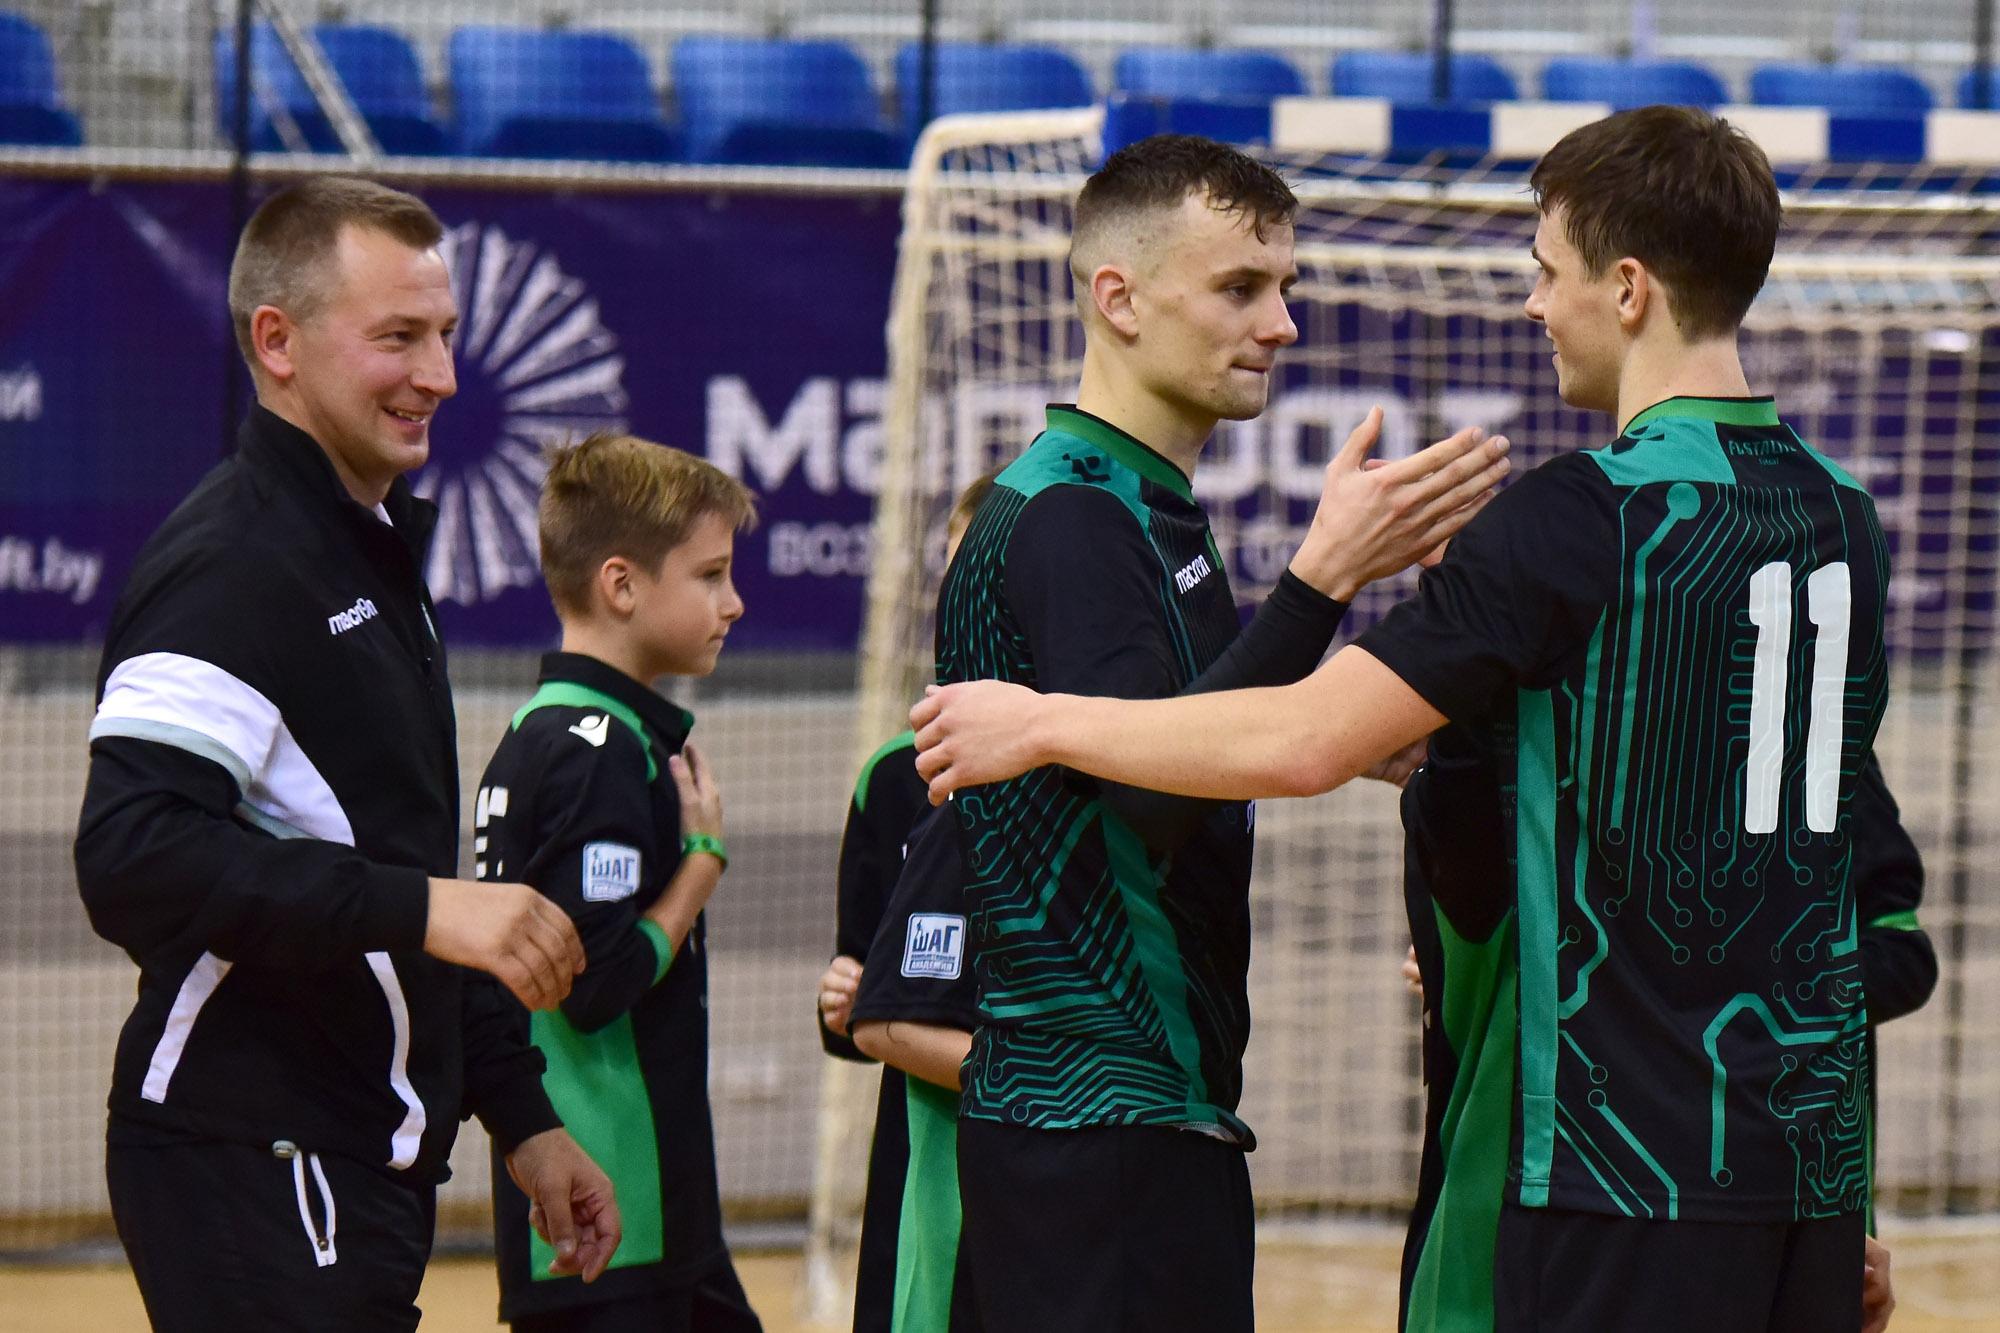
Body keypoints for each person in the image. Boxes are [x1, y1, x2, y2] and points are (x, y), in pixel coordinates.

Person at [914, 107, 1894, 1331]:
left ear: (1626, 289)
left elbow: (1300, 741)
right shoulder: (1842, 514)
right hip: (1804, 1158)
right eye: (1244, 288)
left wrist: (1044, 723)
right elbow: (1810, 859)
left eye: (1545, 271)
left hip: (1619, 1161)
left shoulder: (1572, 517)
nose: (1533, 305)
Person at [927, 132, 1511, 1333]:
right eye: (1239, 288)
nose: (1280, 324)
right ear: (1118, 298)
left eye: (1283, 287)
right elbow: (1154, 792)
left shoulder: (1138, 504)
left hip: (1115, 1124)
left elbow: (1164, 743)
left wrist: (1336, 724)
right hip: (1101, 1125)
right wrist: (1319, 579)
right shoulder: (1076, 516)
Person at [73, 176, 616, 1332]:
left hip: (353, 1159)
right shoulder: (232, 563)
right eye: (399, 337)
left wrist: (524, 1120)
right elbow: (132, 856)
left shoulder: (364, 547)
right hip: (251, 1158)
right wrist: (428, 908)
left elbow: (394, 865)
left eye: (447, 334)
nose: (443, 375)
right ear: (278, 342)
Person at [1392, 729, 1933, 1331]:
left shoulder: (1810, 734)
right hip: (1582, 1189)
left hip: (1771, 1187)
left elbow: (1903, 954)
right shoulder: (1560, 745)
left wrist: (1741, 996)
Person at [470, 432, 762, 1332]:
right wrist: (700, 867)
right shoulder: (594, 751)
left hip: (644, 1219)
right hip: (615, 1218)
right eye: (710, 575)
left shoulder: (546, 727)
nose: (734, 602)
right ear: (621, 585)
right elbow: (595, 985)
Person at [817, 475, 993, 1333]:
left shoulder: (1099, 763)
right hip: (923, 1155)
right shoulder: (893, 775)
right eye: (954, 574)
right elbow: (860, 983)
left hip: (1058, 1156)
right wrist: (844, 1003)